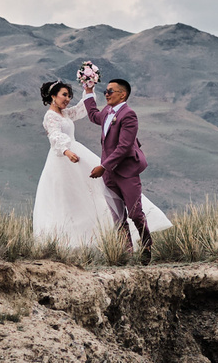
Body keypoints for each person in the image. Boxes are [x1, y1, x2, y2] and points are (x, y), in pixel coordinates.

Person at [32, 80, 171, 250]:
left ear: (122, 94)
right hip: (66, 159)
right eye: (64, 95)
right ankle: (124, 250)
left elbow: (84, 111)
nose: (67, 99)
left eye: (69, 95)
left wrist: (89, 90)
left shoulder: (68, 114)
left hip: (109, 164)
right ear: (53, 96)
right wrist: (66, 151)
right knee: (79, 202)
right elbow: (56, 135)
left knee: (128, 210)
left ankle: (145, 244)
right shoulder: (51, 116)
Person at [79, 71, 156, 258]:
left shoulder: (129, 115)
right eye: (105, 91)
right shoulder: (107, 111)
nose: (106, 94)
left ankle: (146, 245)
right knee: (117, 216)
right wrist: (88, 91)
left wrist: (103, 166)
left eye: (110, 91)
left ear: (122, 94)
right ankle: (126, 253)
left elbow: (124, 147)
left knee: (135, 213)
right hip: (109, 174)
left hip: (126, 171)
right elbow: (93, 116)